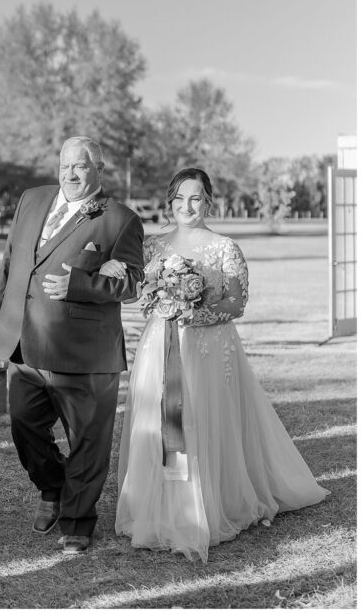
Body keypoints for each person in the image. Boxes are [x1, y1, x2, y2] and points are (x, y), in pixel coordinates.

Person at [101, 168, 328, 562]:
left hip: (210, 349)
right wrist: (115, 271)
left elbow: (236, 303)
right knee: (159, 420)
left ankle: (213, 503)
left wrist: (194, 312)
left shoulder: (224, 248)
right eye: (179, 199)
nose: (186, 206)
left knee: (204, 419)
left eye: (195, 198)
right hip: (161, 347)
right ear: (169, 202)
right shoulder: (152, 246)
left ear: (208, 201)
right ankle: (158, 507)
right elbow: (137, 294)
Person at [0, 136, 144, 555]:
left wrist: (79, 284)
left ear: (99, 170)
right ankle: (52, 487)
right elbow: (10, 260)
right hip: (24, 342)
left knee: (88, 441)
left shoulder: (121, 219)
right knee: (23, 425)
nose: (70, 175)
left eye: (80, 167)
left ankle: (77, 522)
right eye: (64, 166)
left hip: (85, 352)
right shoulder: (31, 200)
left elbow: (132, 282)